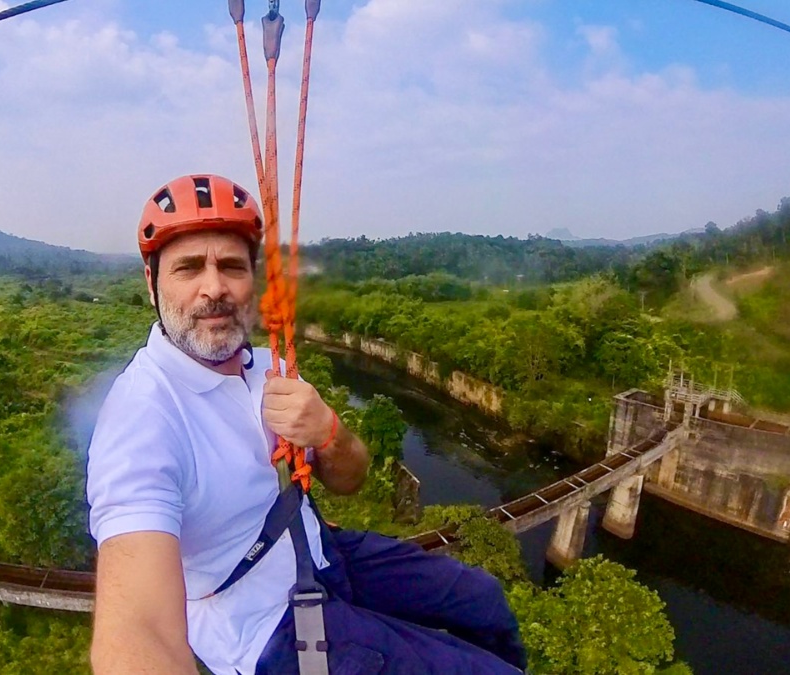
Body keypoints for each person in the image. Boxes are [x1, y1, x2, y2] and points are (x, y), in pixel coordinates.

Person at [86, 174, 527, 674]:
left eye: (231, 266)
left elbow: (350, 478)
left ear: (252, 281)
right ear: (151, 283)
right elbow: (136, 633)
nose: (214, 288)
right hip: (266, 627)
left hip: (319, 551)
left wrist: (328, 433)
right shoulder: (143, 416)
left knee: (484, 599)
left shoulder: (267, 368)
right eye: (188, 268)